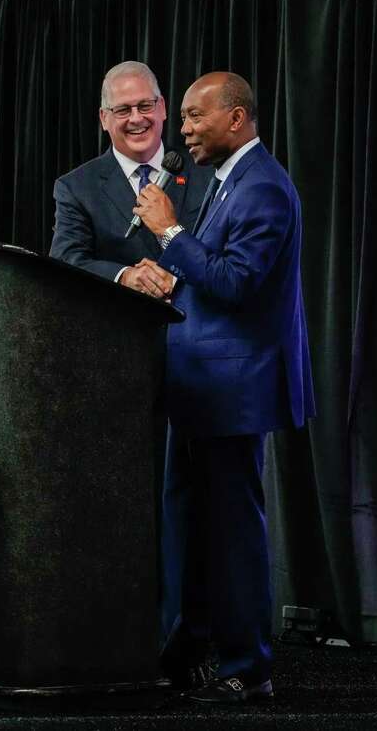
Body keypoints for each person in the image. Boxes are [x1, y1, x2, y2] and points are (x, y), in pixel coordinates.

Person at [133, 72, 315, 704]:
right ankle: (182, 653)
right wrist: (171, 273)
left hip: (233, 393)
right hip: (198, 387)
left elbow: (237, 284)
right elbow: (211, 276)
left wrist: (170, 233)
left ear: (236, 118)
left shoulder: (264, 187)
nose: (180, 129)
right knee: (189, 526)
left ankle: (248, 668)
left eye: (192, 116)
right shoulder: (226, 181)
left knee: (234, 535)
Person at [50, 60, 210, 298]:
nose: (136, 119)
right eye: (123, 110)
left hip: (197, 326)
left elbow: (227, 255)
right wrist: (124, 276)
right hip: (122, 327)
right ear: (104, 118)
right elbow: (65, 261)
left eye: (145, 105)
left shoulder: (207, 172)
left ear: (162, 108)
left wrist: (176, 275)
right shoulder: (76, 187)